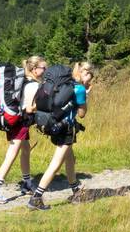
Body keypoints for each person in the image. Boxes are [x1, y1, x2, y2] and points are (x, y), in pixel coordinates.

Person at [27, 60, 93, 211]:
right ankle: (36, 198)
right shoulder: (79, 89)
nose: (91, 78)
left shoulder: (63, 84)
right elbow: (82, 114)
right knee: (56, 163)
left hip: (53, 123)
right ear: (85, 73)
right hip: (65, 128)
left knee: (69, 158)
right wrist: (86, 94)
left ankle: (76, 191)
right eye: (91, 75)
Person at [0, 55, 47, 205]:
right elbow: (30, 108)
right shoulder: (32, 85)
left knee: (25, 149)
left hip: (15, 119)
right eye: (43, 68)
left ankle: (27, 183)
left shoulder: (22, 81)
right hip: (21, 122)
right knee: (11, 154)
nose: (45, 70)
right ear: (34, 69)